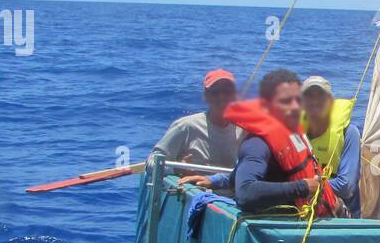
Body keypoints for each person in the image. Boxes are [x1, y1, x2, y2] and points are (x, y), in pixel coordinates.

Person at [216, 68, 340, 216]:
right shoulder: (257, 144)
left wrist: (214, 181)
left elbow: (235, 179)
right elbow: (245, 192)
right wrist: (303, 187)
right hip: (287, 225)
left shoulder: (293, 133)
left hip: (321, 212)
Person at [151, 68, 242, 187]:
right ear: (205, 96)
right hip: (197, 195)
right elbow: (152, 163)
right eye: (215, 92)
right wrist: (178, 168)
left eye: (227, 91)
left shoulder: (244, 129)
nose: (222, 97)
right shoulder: (186, 126)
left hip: (234, 198)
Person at [299, 75, 362, 218]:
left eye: (321, 97)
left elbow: (346, 186)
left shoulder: (349, 133)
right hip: (304, 209)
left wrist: (304, 187)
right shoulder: (295, 134)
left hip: (341, 216)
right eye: (309, 96)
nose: (315, 102)